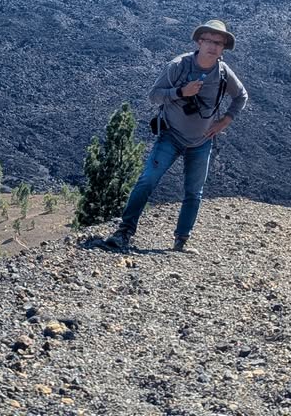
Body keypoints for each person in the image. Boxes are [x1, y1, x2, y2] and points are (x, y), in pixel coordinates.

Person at [106, 19, 248, 253]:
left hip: (202, 141)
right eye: (209, 41)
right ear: (199, 41)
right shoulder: (179, 65)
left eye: (219, 43)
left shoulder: (223, 73)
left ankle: (181, 241)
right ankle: (124, 232)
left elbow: (241, 96)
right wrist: (181, 92)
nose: (213, 47)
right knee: (147, 181)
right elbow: (154, 95)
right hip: (171, 135)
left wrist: (224, 121)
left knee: (194, 192)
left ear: (223, 49)